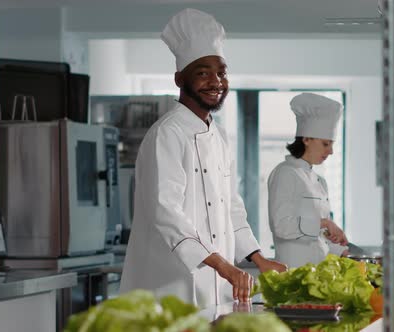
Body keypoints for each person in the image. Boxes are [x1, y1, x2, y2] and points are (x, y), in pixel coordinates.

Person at [120, 8, 286, 308]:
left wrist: (259, 259)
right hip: (170, 284)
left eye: (221, 72)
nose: (216, 81)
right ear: (179, 78)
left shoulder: (219, 137)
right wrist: (223, 266)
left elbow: (232, 208)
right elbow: (165, 212)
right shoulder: (167, 134)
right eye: (203, 72)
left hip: (216, 285)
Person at [267, 93, 349, 268]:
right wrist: (324, 223)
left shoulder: (320, 181)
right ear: (306, 139)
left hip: (319, 272)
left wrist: (342, 251)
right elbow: (282, 226)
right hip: (293, 273)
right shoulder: (285, 173)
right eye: (326, 144)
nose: (331, 151)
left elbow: (320, 238)